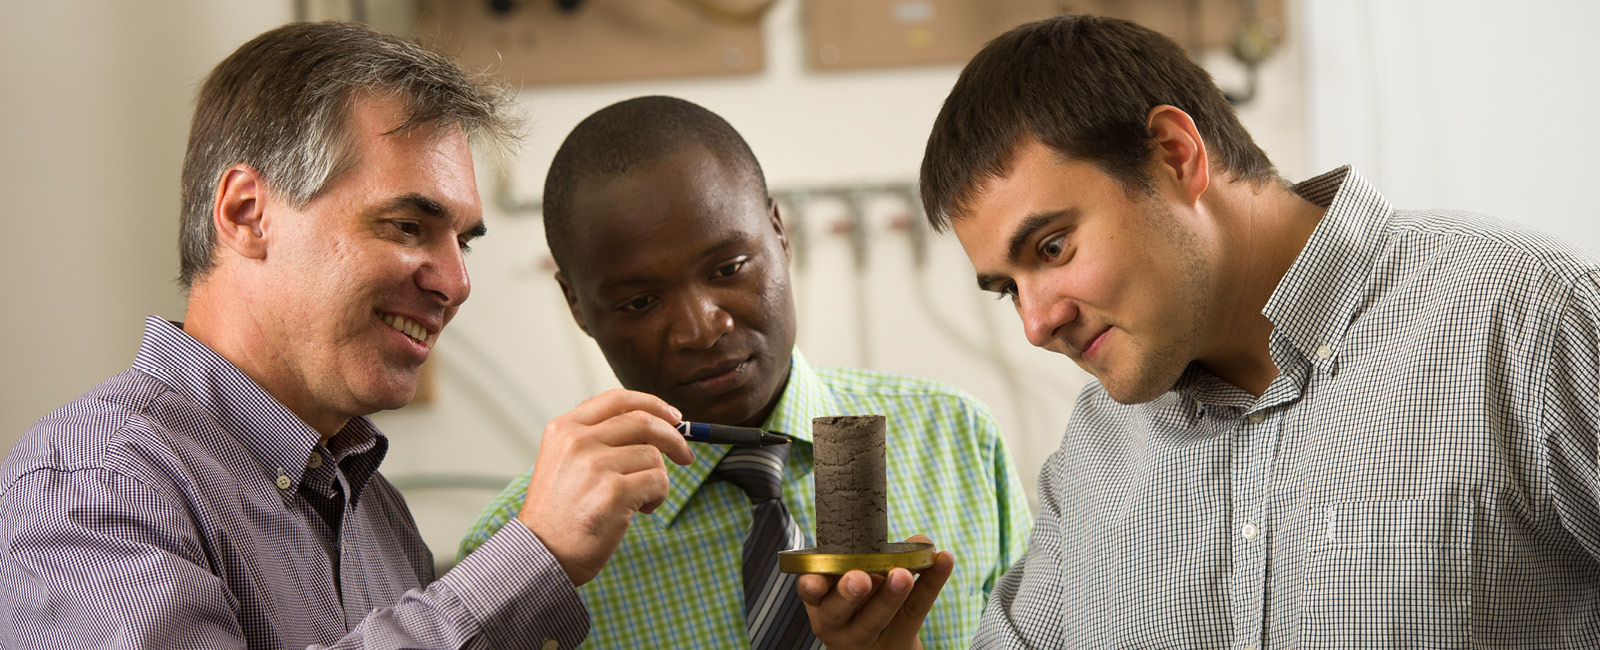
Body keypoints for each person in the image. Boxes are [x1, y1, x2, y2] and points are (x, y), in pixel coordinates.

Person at [800, 13, 1600, 649]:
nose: (1038, 323)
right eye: (1007, 288)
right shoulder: (1097, 456)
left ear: (1175, 155)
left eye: (1052, 248)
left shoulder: (1527, 322)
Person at [0, 21, 695, 649]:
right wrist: (533, 555)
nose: (455, 283)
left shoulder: (377, 513)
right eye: (406, 227)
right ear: (247, 214)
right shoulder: (98, 487)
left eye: (465, 244)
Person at [457, 95, 1032, 649]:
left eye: (730, 267)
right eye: (639, 302)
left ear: (780, 232)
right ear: (578, 306)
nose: (700, 329)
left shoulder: (957, 440)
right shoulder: (522, 556)